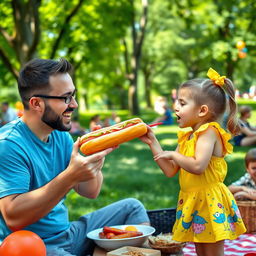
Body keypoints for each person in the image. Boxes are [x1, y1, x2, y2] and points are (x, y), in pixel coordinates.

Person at [0, 58, 150, 256]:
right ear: (36, 103)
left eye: (74, 95)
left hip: (69, 234)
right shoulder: (9, 144)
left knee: (132, 207)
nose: (75, 104)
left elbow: (90, 191)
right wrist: (70, 176)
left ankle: (130, 251)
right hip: (35, 246)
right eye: (66, 98)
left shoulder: (61, 135)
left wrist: (94, 159)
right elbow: (14, 217)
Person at [140, 68, 246, 256]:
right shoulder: (187, 136)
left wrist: (173, 155)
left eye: (182, 103)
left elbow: (198, 166)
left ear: (202, 110)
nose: (176, 107)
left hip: (210, 202)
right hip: (194, 201)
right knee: (201, 252)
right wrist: (153, 143)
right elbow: (170, 170)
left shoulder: (209, 132)